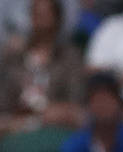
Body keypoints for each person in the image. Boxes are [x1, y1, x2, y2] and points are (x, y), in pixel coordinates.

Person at [0, 0, 85, 134]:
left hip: (54, 129)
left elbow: (76, 101)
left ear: (57, 19)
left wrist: (48, 111)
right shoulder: (14, 58)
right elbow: (3, 102)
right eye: (35, 14)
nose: (39, 20)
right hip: (15, 128)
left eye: (45, 15)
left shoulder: (70, 58)